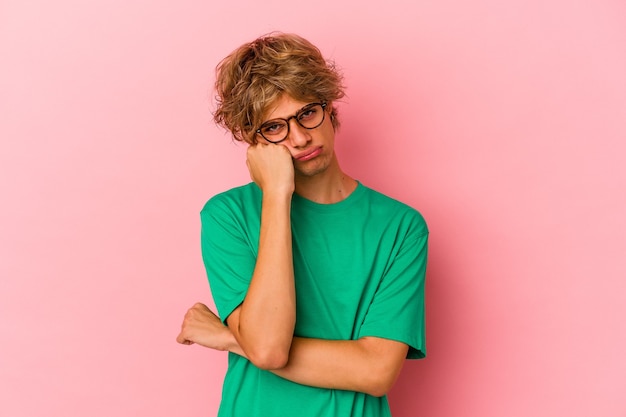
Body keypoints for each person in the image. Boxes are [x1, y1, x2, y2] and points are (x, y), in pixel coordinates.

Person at [176, 32, 429, 417]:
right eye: (274, 127)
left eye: (307, 113)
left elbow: (376, 371)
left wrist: (228, 337)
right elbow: (267, 346)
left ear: (330, 108)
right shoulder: (227, 215)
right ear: (253, 139)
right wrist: (277, 194)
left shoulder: (400, 227)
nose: (298, 137)